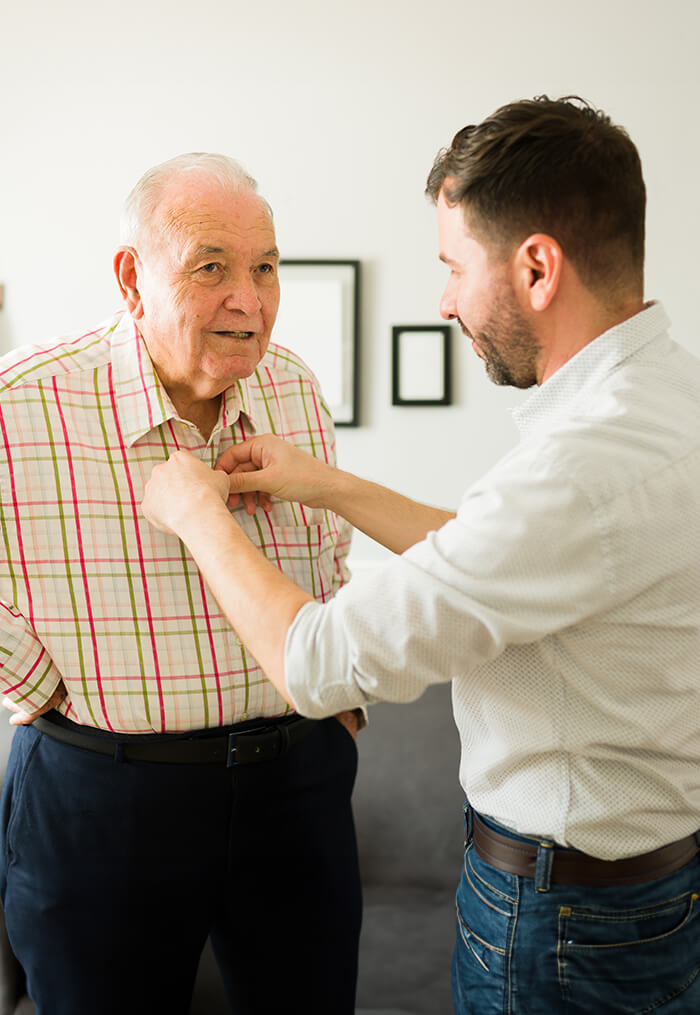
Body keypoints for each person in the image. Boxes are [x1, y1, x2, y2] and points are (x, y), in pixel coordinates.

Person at [141, 97, 700, 1014]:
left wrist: (198, 515)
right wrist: (324, 483)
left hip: (562, 923)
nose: (443, 299)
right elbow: (512, 561)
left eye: (451, 265)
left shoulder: (578, 470)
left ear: (535, 268)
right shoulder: (669, 396)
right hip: (655, 890)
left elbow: (315, 664)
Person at [0, 153, 363, 1015]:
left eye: (266, 267)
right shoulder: (21, 405)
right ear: (132, 278)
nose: (251, 298)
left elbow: (330, 558)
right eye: (212, 267)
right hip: (105, 795)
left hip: (295, 782)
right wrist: (55, 695)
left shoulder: (295, 388)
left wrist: (342, 713)